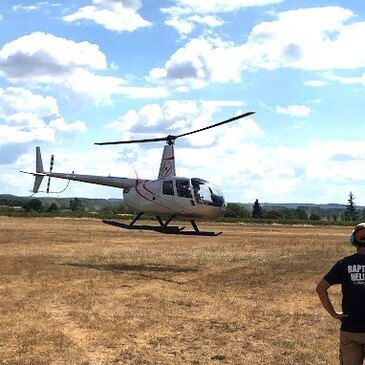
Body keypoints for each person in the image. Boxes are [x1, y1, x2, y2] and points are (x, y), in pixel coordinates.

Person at [316, 223, 365, 365]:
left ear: (353, 241)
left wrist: (333, 313)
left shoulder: (344, 264)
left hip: (351, 329)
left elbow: (321, 288)